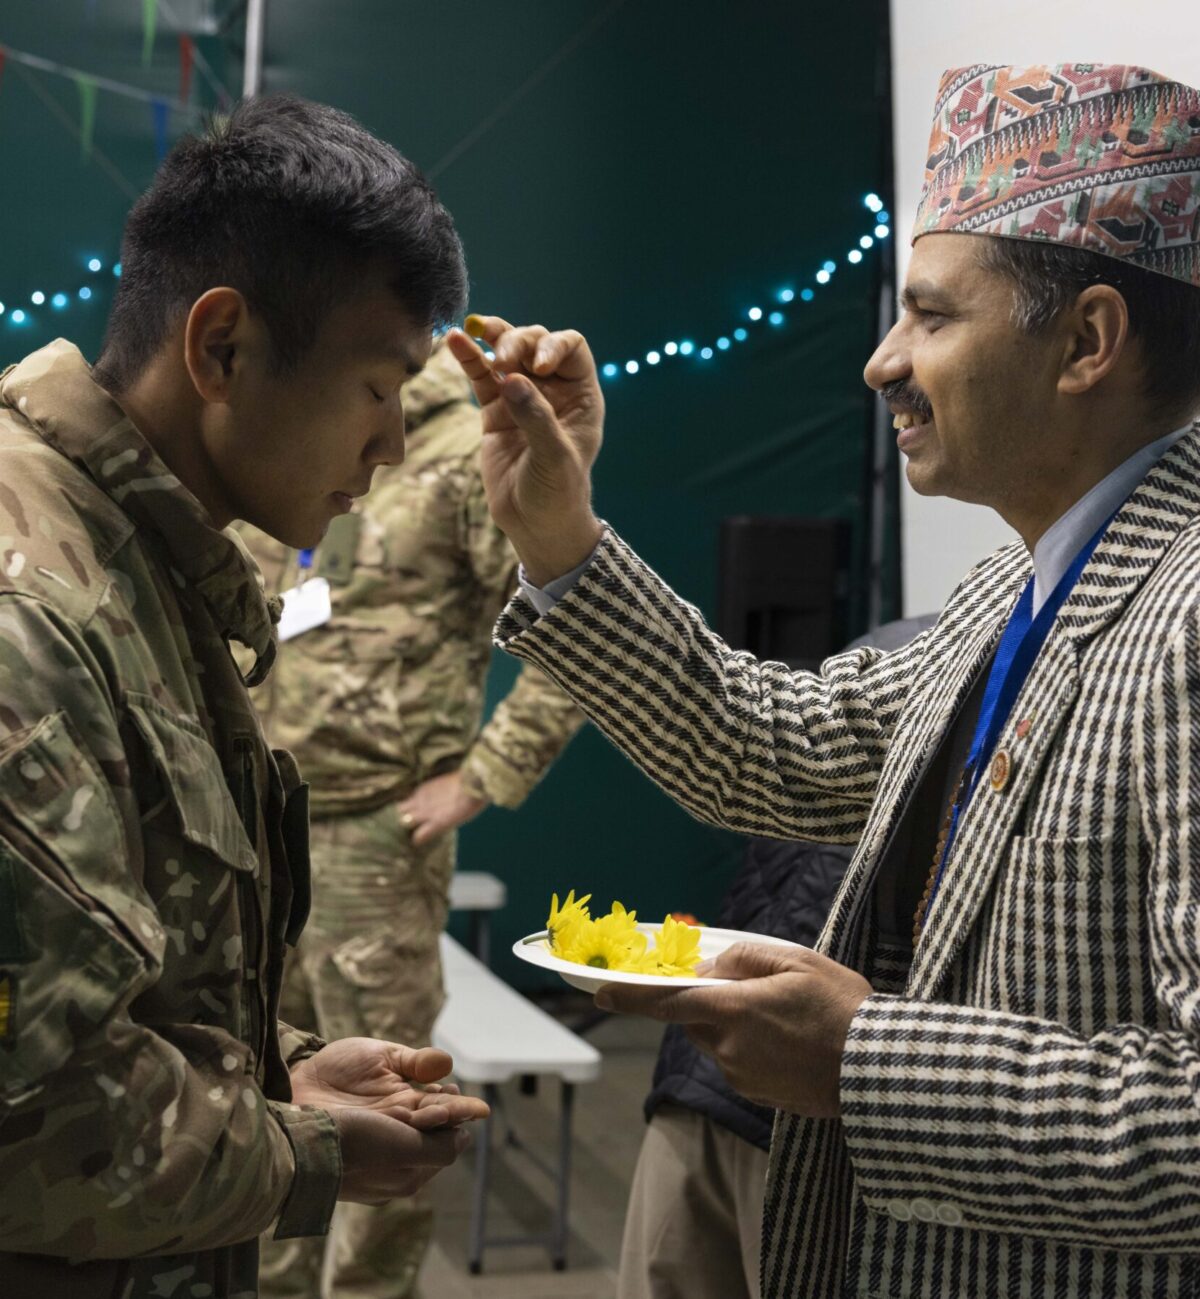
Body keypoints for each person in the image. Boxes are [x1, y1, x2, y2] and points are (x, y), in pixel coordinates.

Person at [446, 62, 1200, 1299]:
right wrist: (558, 531)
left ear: (1088, 342)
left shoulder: (1184, 617)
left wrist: (864, 1062)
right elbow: (768, 749)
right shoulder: (1012, 593)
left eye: (932, 316)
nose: (882, 363)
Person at [0, 94, 490, 1299]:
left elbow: (117, 979)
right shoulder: (34, 610)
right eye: (379, 391)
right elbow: (35, 1119)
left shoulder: (146, 563)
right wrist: (302, 1151)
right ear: (221, 349)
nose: (388, 450)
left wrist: (279, 1071)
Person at [237, 336, 584, 1299]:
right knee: (266, 1101)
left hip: (377, 841)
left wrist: (486, 773)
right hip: (254, 828)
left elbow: (575, 621)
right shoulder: (292, 429)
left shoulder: (462, 446)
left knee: (391, 1119)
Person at [619, 618, 933, 1299]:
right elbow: (744, 740)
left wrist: (866, 1059)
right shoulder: (953, 638)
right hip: (729, 1082)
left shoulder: (924, 644)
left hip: (823, 1118)